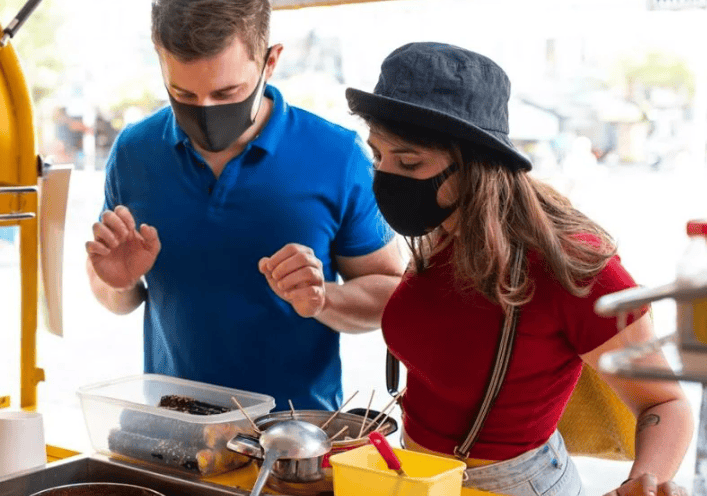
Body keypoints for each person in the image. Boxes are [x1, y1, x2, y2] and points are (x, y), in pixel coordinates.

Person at [345, 42, 693, 496]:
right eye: (378, 155)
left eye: (409, 161)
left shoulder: (569, 265)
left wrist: (644, 482)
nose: (386, 177)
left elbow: (664, 402)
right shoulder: (442, 228)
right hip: (416, 475)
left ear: (477, 166)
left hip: (509, 485)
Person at [85, 0, 404, 412]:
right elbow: (116, 297)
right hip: (172, 428)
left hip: (291, 441)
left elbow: (390, 294)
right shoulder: (133, 152)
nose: (205, 111)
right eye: (182, 93)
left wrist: (323, 296)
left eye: (227, 92)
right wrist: (116, 282)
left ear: (271, 62)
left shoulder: (338, 156)